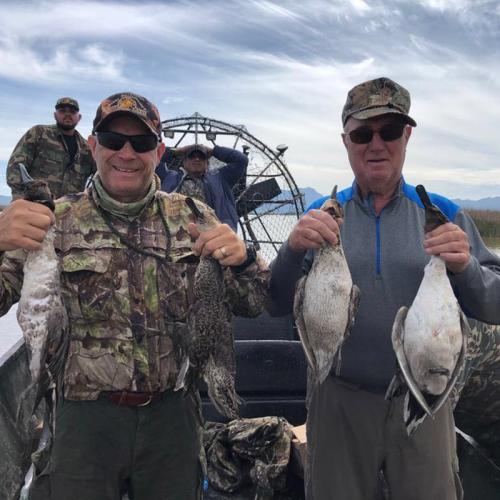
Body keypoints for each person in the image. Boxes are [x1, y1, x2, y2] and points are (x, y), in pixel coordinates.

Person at [0, 92, 268, 500]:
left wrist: (245, 259)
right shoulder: (53, 220)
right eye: (113, 140)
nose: (126, 153)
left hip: (172, 419)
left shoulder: (195, 217)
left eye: (141, 143)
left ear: (158, 152)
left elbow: (255, 302)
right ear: (94, 146)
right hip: (82, 422)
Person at [267, 77, 500, 500]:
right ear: (345, 141)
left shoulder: (443, 214)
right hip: (336, 398)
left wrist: (465, 267)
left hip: (424, 400)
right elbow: (275, 302)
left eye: (389, 131)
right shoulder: (321, 216)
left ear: (407, 136)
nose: (376, 144)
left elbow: (494, 304)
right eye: (362, 134)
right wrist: (290, 249)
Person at [7, 97, 96, 200]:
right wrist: (20, 197)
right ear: (55, 115)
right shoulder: (39, 133)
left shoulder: (87, 148)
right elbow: (17, 165)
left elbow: (101, 176)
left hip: (70, 208)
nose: (67, 114)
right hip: (34, 203)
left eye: (72, 111)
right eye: (62, 111)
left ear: (79, 117)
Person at [156, 143, 248, 230]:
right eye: (192, 156)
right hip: (173, 233)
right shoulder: (168, 177)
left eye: (202, 157)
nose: (197, 159)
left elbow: (241, 160)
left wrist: (213, 151)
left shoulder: (221, 179)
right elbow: (154, 157)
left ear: (207, 163)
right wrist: (176, 151)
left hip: (214, 234)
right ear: (184, 162)